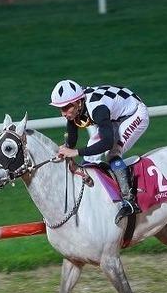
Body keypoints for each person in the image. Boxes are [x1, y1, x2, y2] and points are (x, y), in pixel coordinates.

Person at [49, 79, 150, 225]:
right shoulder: (76, 105)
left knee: (113, 153)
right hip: (114, 116)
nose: (63, 113)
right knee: (90, 155)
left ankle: (129, 202)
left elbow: (107, 143)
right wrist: (66, 149)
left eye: (65, 108)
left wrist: (76, 152)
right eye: (60, 108)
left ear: (78, 102)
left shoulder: (97, 108)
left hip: (135, 114)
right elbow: (72, 134)